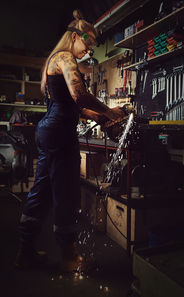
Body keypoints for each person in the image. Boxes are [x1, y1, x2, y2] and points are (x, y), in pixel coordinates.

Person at [15, 10, 125, 272]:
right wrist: (108, 111)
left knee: (41, 192)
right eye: (87, 45)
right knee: (66, 192)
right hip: (59, 134)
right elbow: (79, 96)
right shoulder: (65, 58)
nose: (88, 51)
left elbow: (72, 106)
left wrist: (101, 117)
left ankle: (25, 252)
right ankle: (70, 256)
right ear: (75, 37)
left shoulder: (55, 60)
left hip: (52, 131)